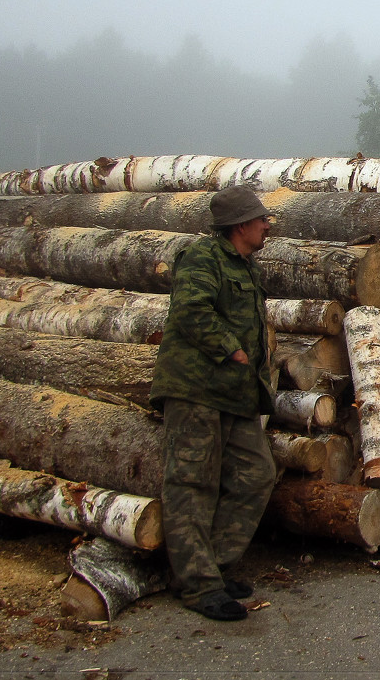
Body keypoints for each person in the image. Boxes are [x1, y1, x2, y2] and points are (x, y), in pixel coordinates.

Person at [150, 185, 278, 621]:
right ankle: (197, 586)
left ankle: (214, 568)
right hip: (196, 389)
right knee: (192, 483)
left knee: (257, 474)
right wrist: (232, 348)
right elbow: (190, 311)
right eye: (261, 219)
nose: (267, 224)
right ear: (241, 224)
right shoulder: (202, 257)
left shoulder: (247, 266)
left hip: (235, 392)